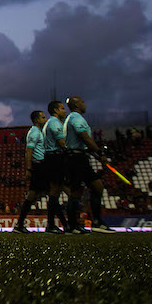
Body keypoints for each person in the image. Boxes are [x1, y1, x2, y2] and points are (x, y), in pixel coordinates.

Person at [63, 96, 114, 234]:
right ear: (77, 104)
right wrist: (100, 153)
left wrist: (97, 156)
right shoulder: (76, 118)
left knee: (96, 187)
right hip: (76, 158)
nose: (85, 104)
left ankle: (92, 222)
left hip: (80, 157)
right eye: (82, 102)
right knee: (79, 192)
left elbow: (83, 142)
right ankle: (75, 225)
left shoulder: (72, 118)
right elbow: (85, 138)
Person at [13, 111, 47, 233]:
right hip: (39, 167)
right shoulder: (34, 132)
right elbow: (29, 151)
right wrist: (29, 169)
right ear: (36, 119)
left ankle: (20, 224)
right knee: (50, 193)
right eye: (43, 117)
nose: (45, 119)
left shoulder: (39, 132)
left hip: (41, 166)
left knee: (37, 195)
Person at [41, 101, 69, 233]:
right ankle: (58, 224)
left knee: (56, 192)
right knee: (55, 192)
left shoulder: (50, 123)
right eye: (62, 108)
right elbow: (63, 143)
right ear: (56, 110)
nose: (65, 111)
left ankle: (58, 224)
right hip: (55, 158)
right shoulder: (54, 123)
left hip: (52, 158)